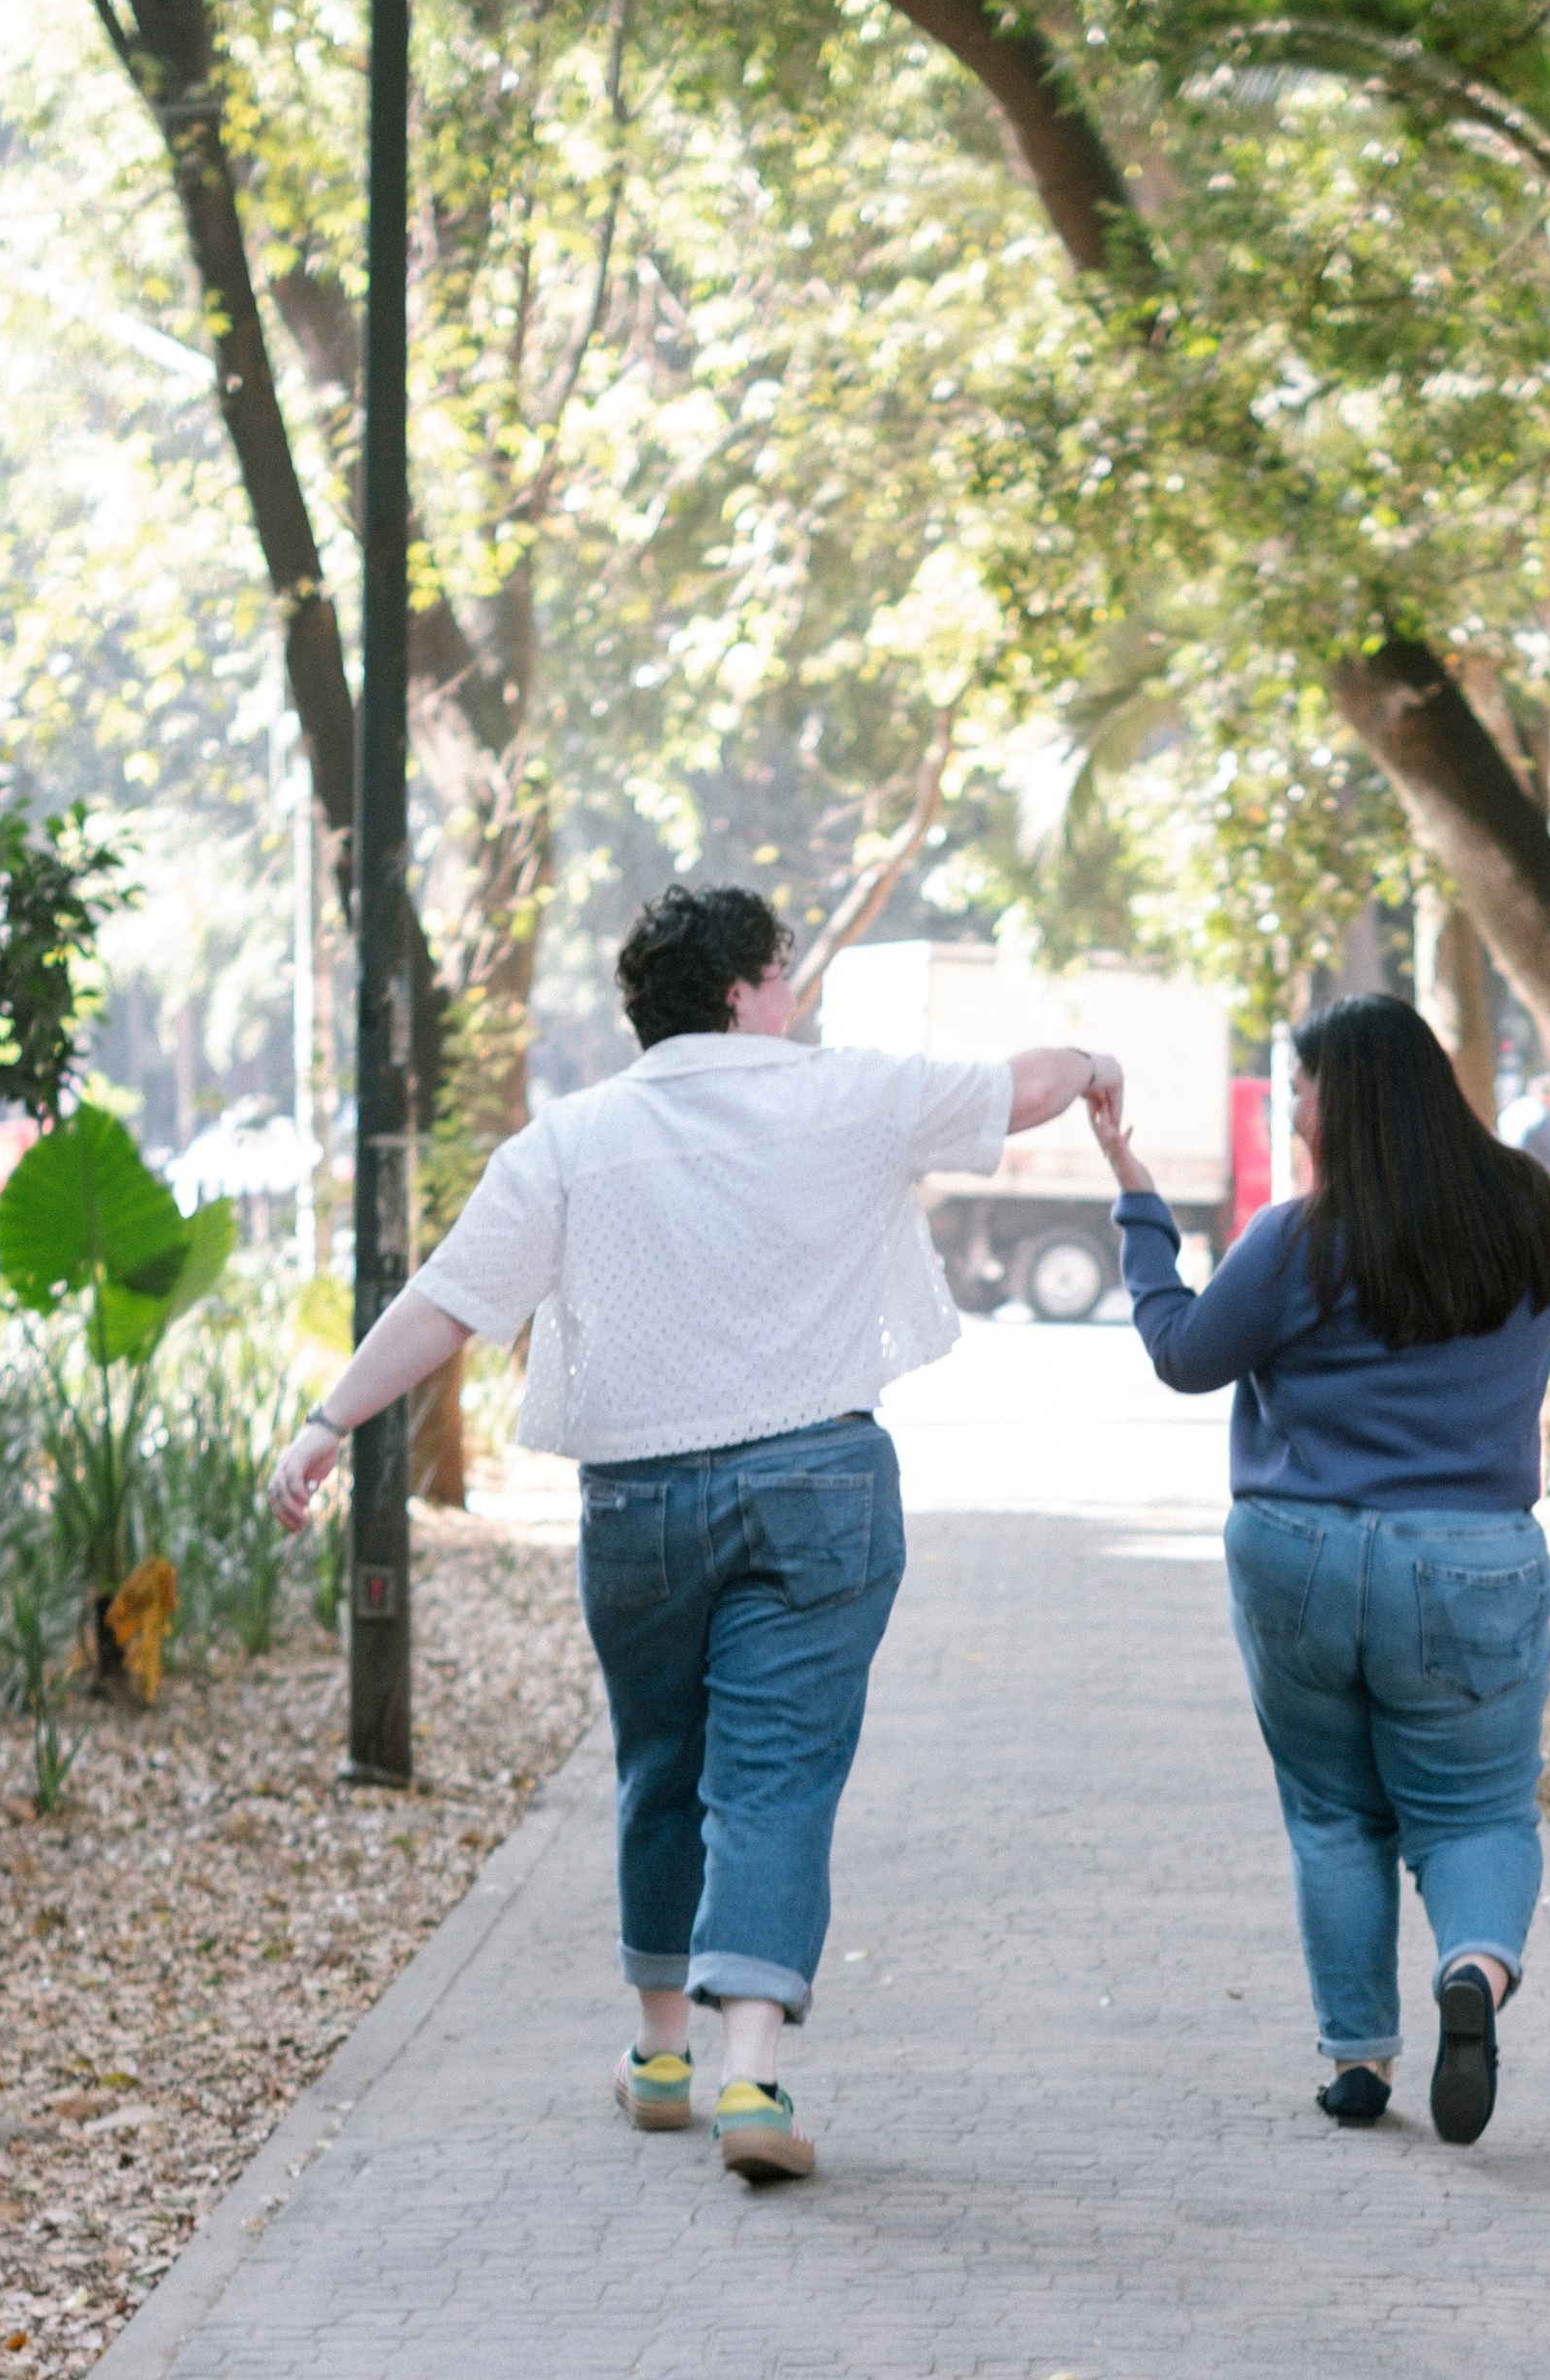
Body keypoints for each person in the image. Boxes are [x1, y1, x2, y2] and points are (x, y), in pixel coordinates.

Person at [268, 882, 1121, 2184]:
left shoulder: (573, 1142)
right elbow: (1021, 1085)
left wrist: (328, 1423)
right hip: (819, 1488)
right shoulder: (848, 1094)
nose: (798, 998)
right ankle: (751, 2075)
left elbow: (449, 1299)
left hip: (639, 1507)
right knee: (775, 1776)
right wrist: (1098, 1061)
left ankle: (661, 2056)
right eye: (784, 974)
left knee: (662, 1762)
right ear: (740, 990)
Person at [1090, 993, 1550, 2145]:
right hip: (1471, 1558)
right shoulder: (1526, 1216)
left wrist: (1140, 1206)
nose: (1294, 1106)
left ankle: (1358, 2061)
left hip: (1299, 1554)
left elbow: (1183, 1356)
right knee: (1475, 1812)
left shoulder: (1298, 1239)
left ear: (1336, 1101)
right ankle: (1473, 1969)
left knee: (1335, 1814)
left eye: (1301, 1086)